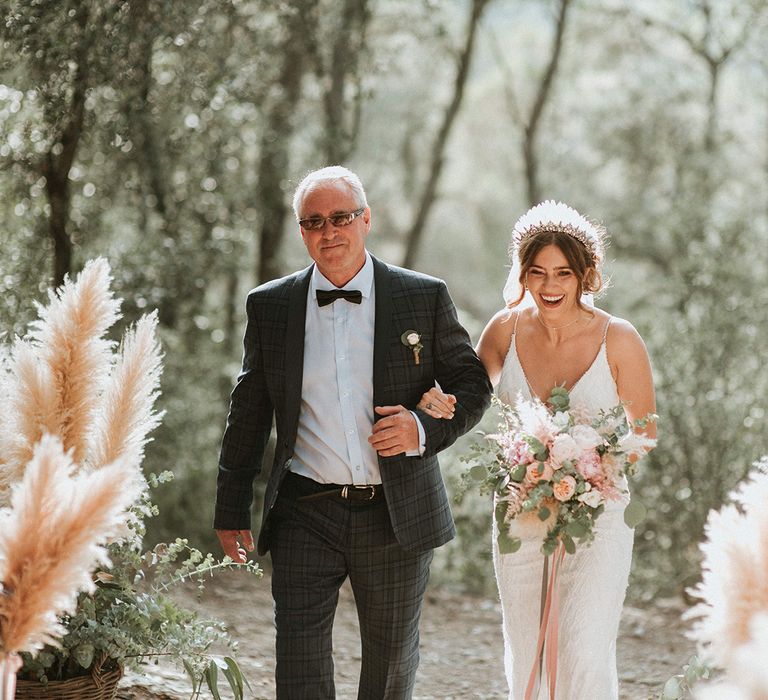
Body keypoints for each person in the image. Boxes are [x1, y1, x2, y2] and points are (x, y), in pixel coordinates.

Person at [214, 166, 492, 699]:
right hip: (303, 510)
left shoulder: (422, 296)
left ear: (366, 220)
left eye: (341, 217)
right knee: (298, 662)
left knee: (389, 664)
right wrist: (230, 508)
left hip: (396, 511)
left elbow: (472, 381)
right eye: (314, 222)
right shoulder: (270, 306)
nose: (329, 231)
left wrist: (421, 429)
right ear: (302, 232)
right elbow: (249, 410)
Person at [418, 201, 656, 700]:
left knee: (584, 649)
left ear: (585, 275)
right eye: (538, 272)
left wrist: (587, 470)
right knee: (526, 649)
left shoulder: (620, 339)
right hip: (521, 514)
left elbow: (645, 433)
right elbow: (469, 394)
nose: (550, 286)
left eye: (563, 273)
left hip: (599, 515)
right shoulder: (504, 329)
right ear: (522, 273)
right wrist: (437, 401)